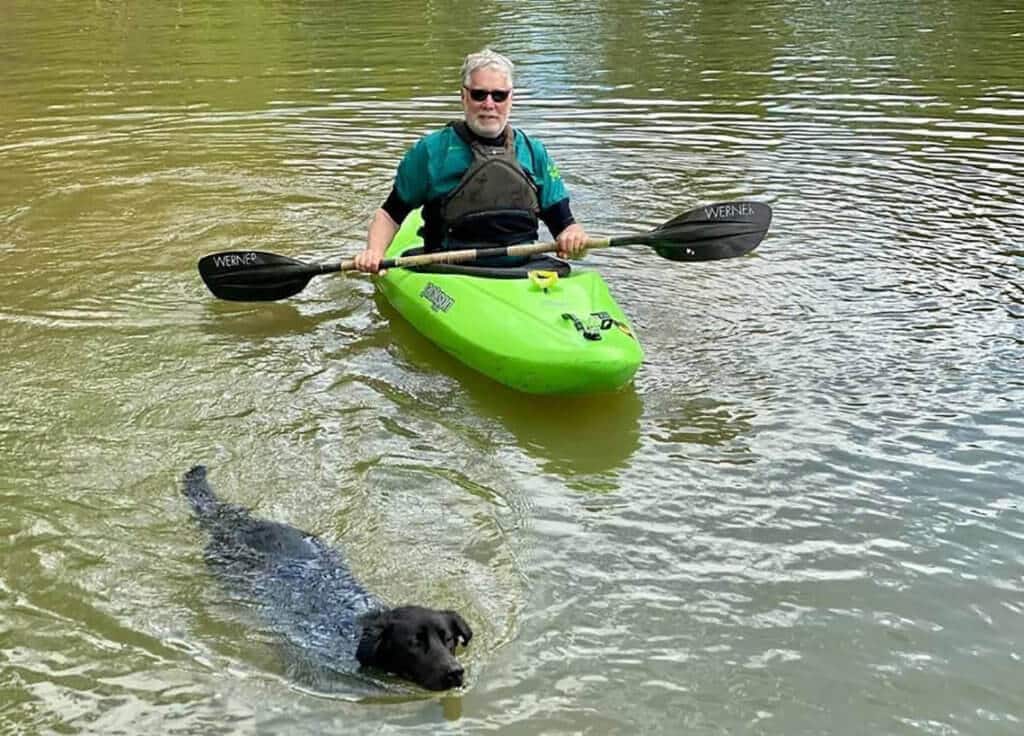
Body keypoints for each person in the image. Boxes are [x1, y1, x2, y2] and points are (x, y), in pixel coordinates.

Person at [353, 48, 588, 273]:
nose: (489, 104)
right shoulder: (431, 151)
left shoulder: (533, 151)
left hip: (522, 270)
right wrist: (374, 252)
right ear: (463, 96)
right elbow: (390, 214)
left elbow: (565, 224)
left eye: (499, 95)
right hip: (449, 269)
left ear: (511, 98)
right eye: (479, 94)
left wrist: (572, 235)